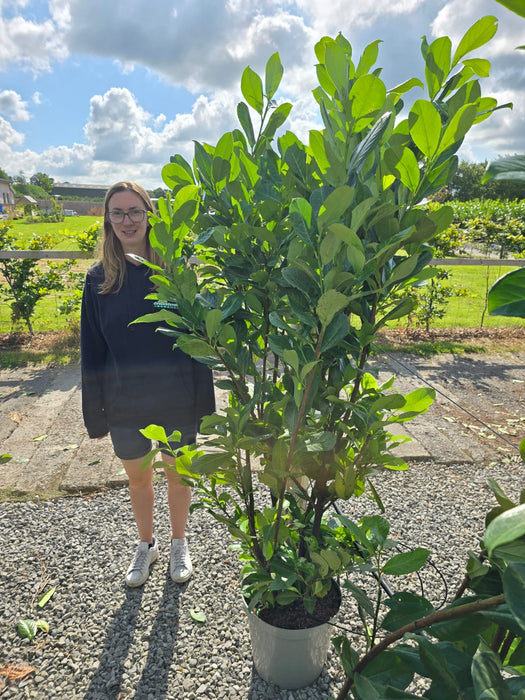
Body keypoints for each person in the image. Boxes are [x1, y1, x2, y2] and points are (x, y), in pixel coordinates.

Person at [80, 181, 215, 587]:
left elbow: (197, 343)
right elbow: (93, 351)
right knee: (139, 479)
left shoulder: (174, 272)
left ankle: (178, 543)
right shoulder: (99, 280)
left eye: (135, 211)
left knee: (178, 475)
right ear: (107, 219)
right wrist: (96, 413)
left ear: (150, 215)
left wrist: (204, 406)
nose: (127, 220)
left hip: (177, 399)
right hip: (125, 404)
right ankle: (147, 544)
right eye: (117, 212)